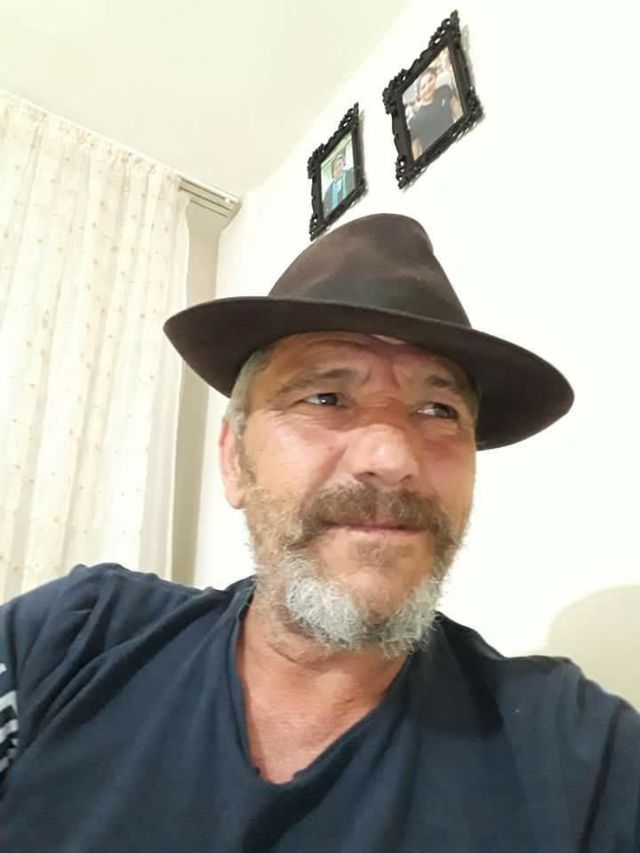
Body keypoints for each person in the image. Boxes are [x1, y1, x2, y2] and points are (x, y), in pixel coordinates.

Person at [1, 213, 639, 852]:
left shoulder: (582, 759)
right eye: (326, 398)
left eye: (438, 410)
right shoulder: (72, 636)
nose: (391, 458)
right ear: (234, 459)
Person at [408, 66, 463, 159]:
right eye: (423, 87)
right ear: (419, 94)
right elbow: (416, 153)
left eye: (430, 80)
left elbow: (459, 114)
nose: (428, 86)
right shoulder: (414, 121)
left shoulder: (445, 91)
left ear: (435, 77)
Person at [322, 150, 355, 215]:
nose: (338, 169)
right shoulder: (328, 192)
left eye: (340, 165)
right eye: (336, 167)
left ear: (343, 165)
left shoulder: (351, 174)